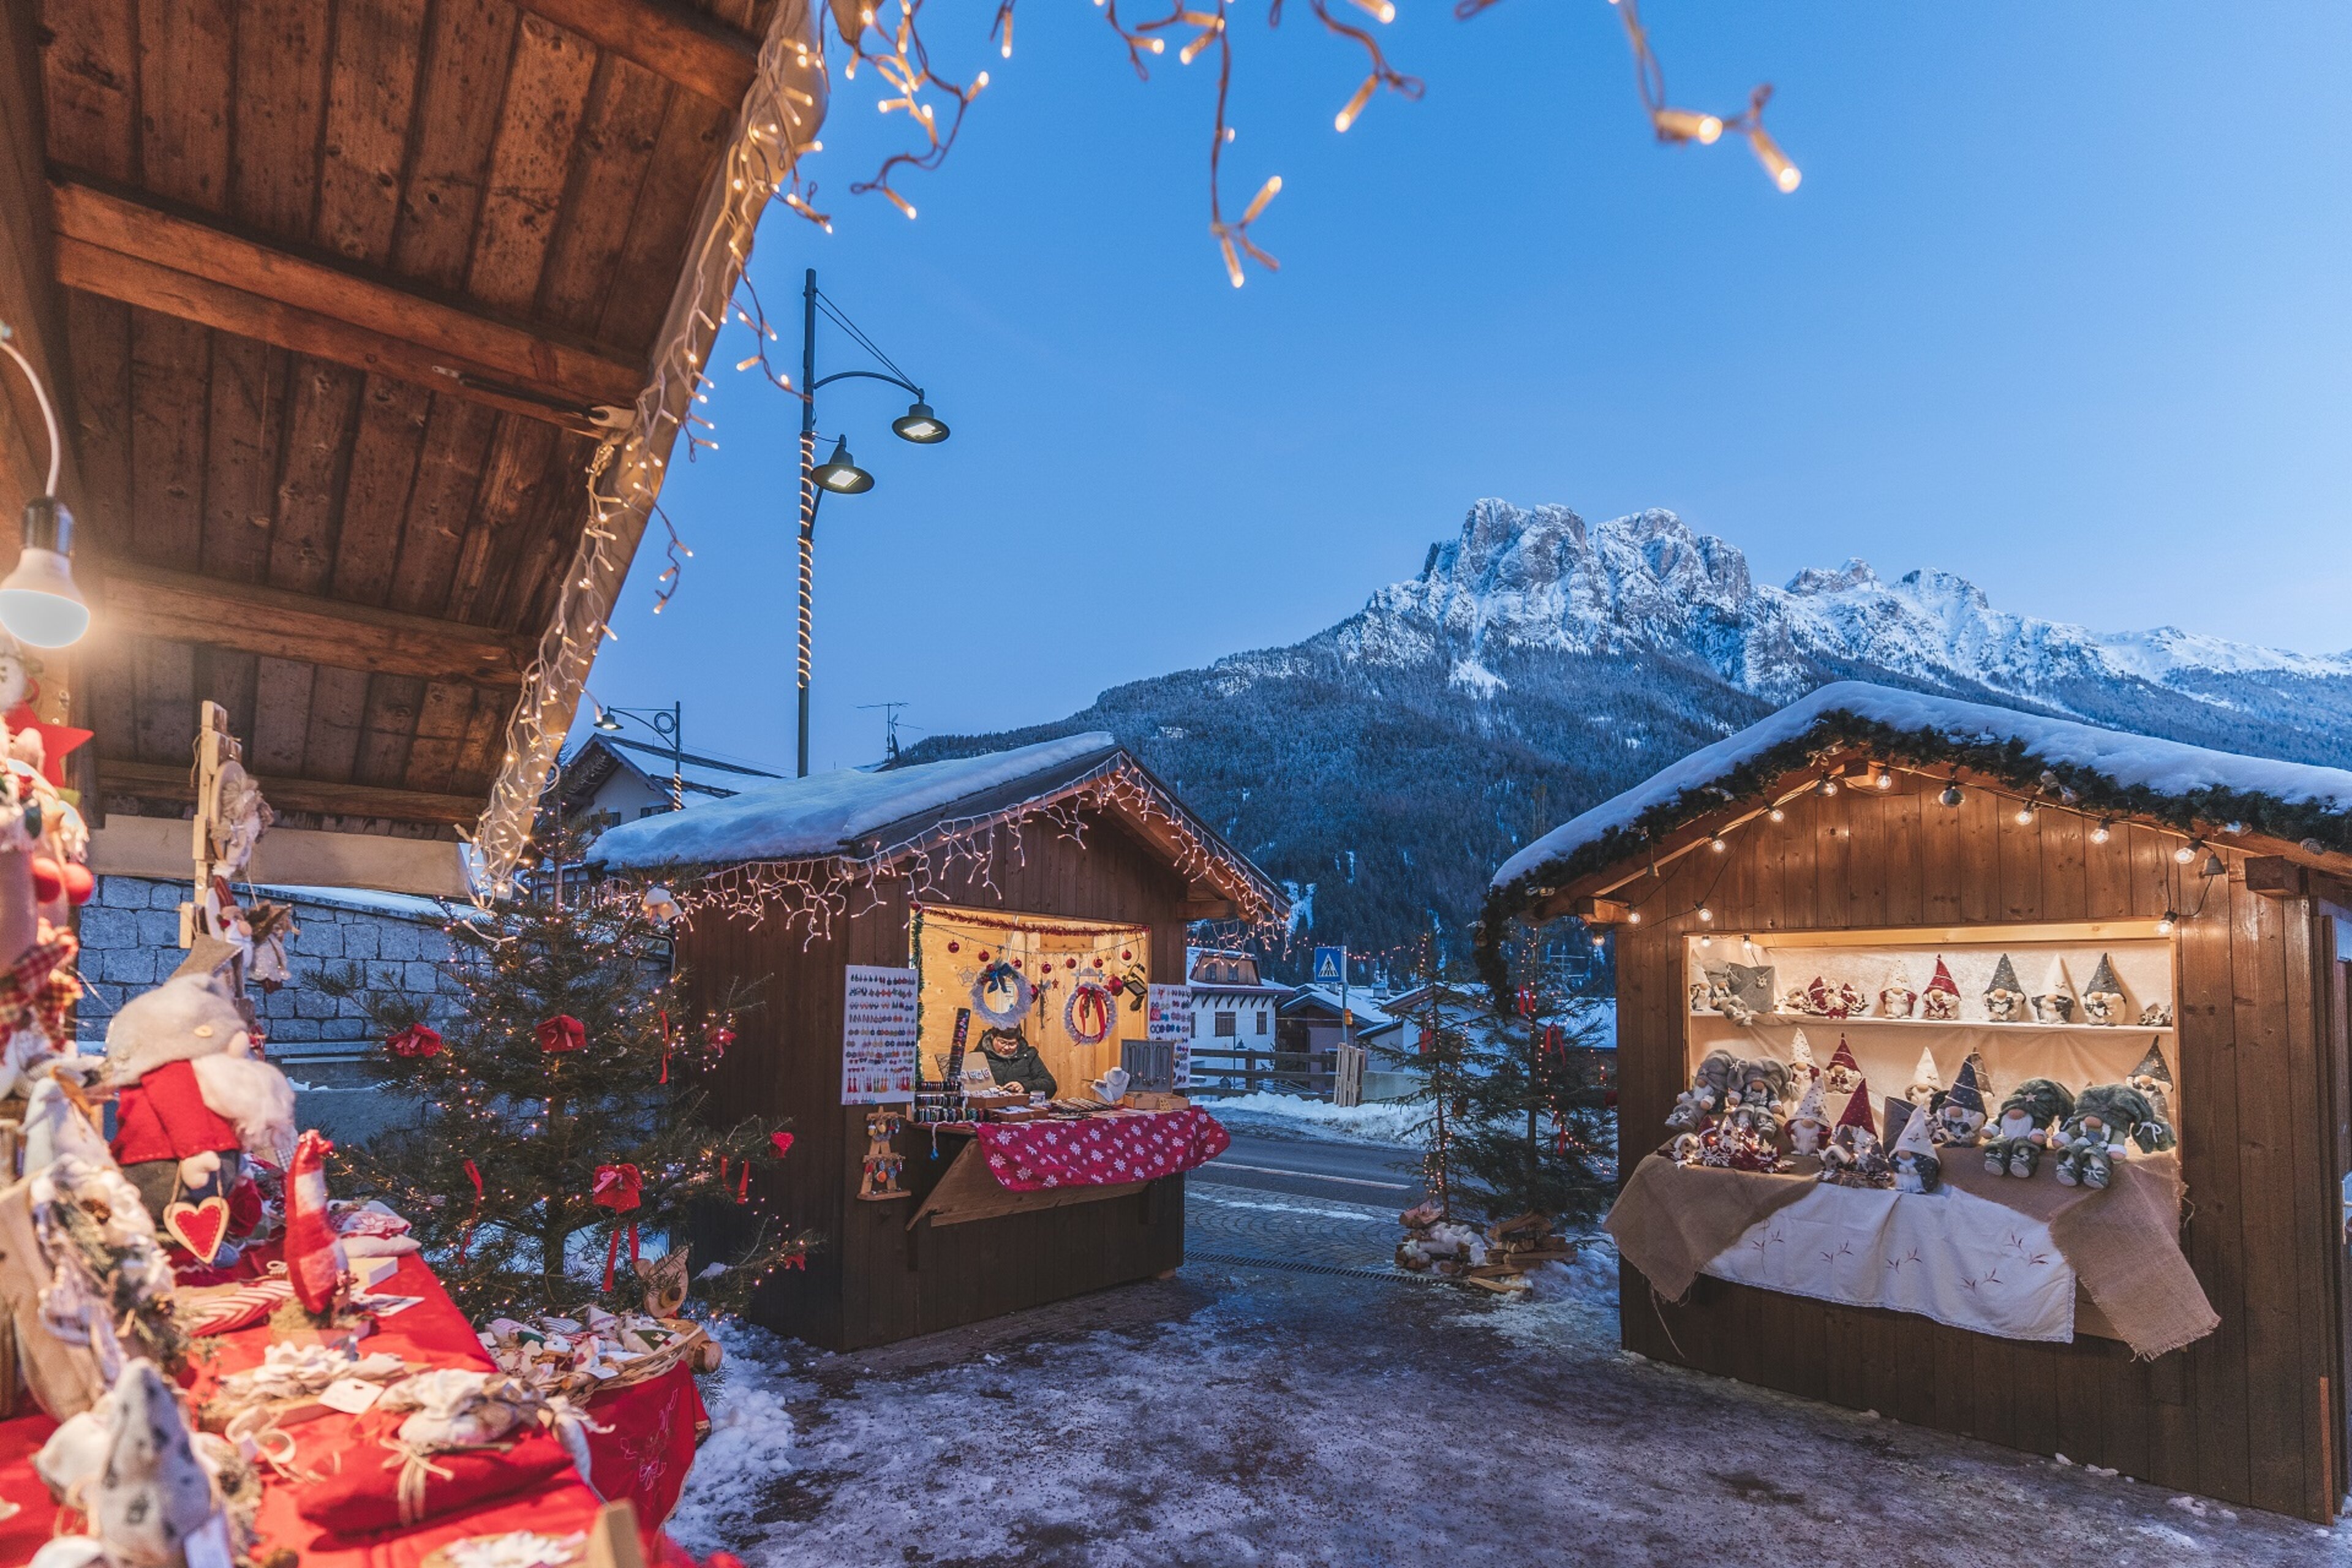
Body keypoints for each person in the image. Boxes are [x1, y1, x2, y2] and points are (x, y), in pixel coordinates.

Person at [978, 1026, 1057, 1099]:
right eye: (1002, 1042)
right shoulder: (979, 1057)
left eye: (1012, 1044)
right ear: (993, 1037)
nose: (1006, 1047)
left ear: (1018, 1042)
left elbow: (1050, 1085)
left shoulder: (1029, 1056)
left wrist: (1024, 1087)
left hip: (1023, 1109)